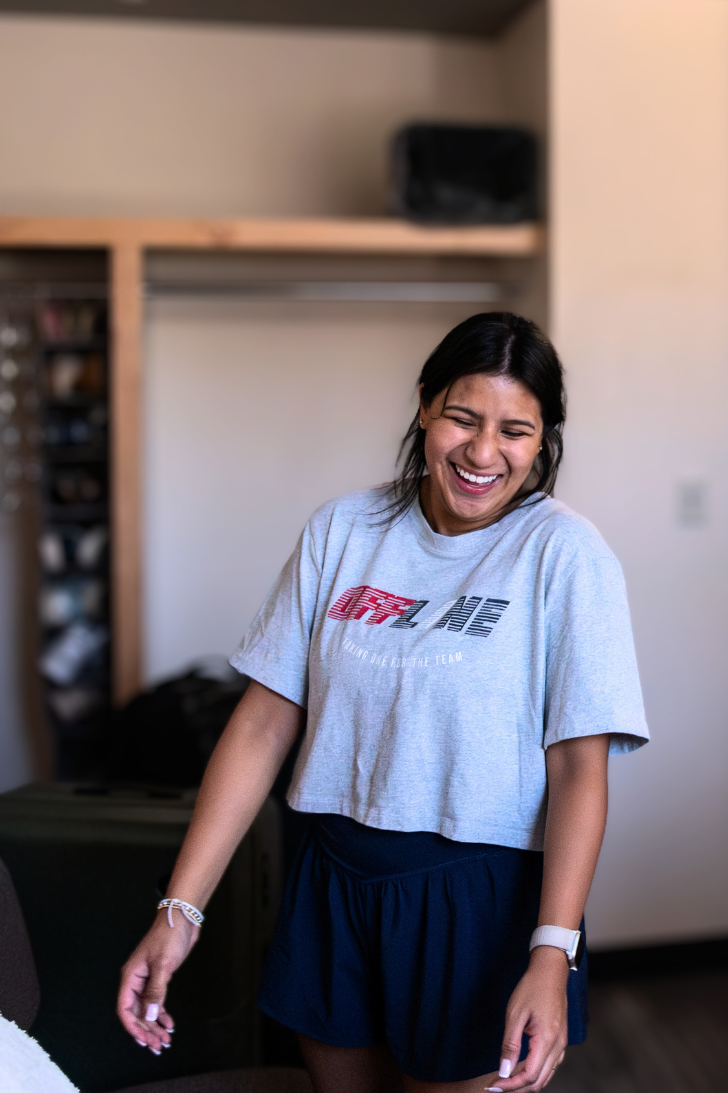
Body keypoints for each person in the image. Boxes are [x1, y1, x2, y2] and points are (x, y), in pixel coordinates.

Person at [116, 312, 649, 1093]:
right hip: (330, 878)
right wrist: (180, 910)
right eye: (462, 418)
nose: (482, 453)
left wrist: (551, 952)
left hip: (478, 900)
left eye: (515, 431)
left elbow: (577, 770)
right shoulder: (343, 530)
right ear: (425, 405)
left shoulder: (565, 556)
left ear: (544, 440)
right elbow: (262, 724)